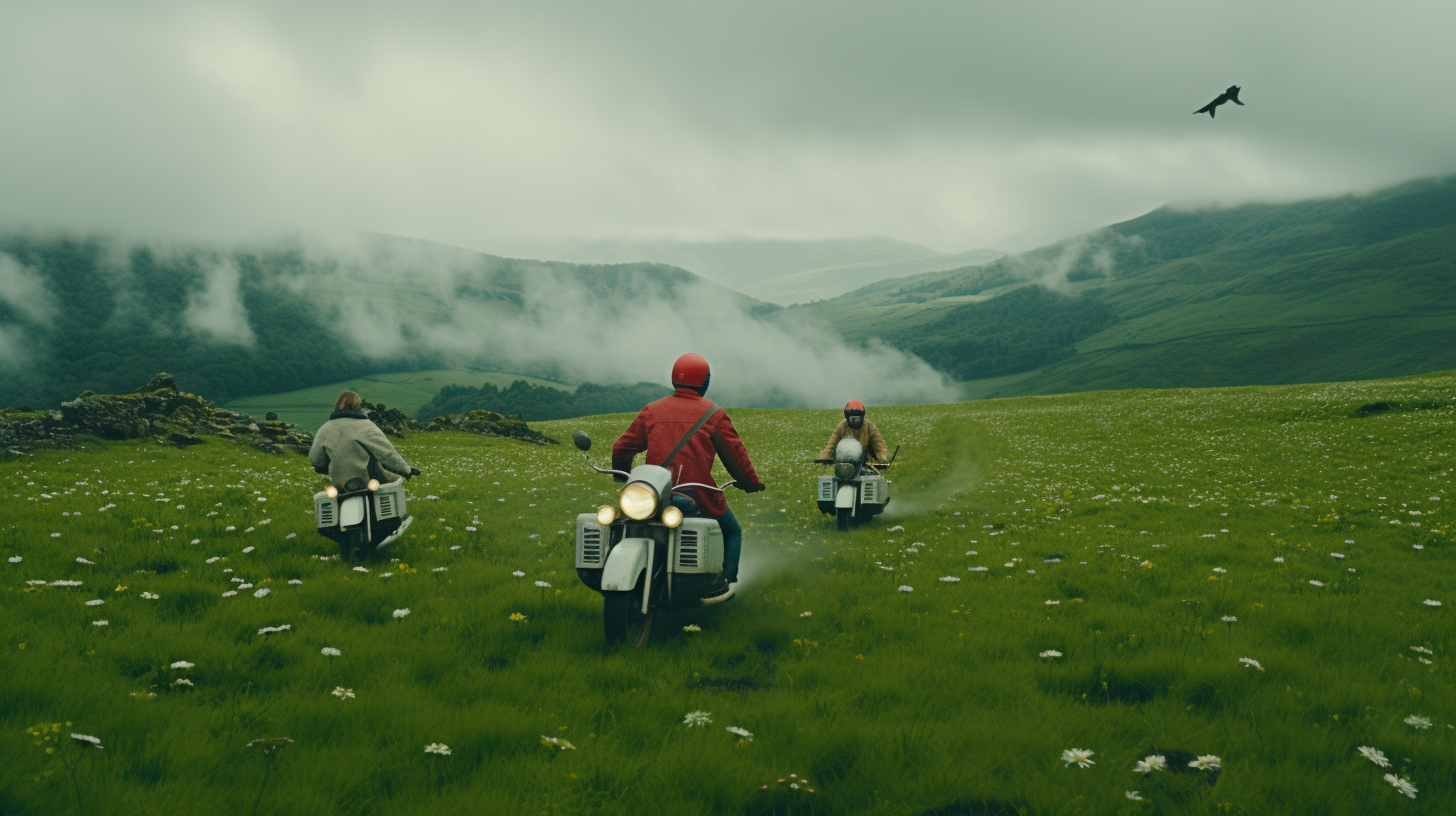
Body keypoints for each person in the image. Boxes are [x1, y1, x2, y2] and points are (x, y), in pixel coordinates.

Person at [612, 353, 763, 594]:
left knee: (622, 523)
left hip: (652, 493)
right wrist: (750, 482)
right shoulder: (713, 413)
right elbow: (735, 454)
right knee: (732, 531)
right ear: (705, 382)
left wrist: (622, 476)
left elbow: (622, 447)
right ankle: (725, 580)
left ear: (674, 380)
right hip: (698, 492)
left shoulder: (652, 410)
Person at [309, 390, 420, 487]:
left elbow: (316, 460)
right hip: (369, 481)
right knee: (395, 485)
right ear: (357, 405)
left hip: (340, 484)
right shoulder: (366, 425)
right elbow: (387, 453)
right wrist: (407, 470)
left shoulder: (325, 428)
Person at [817, 400, 890, 464]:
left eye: (857, 419)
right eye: (853, 419)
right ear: (847, 418)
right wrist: (824, 458)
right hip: (843, 461)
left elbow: (879, 444)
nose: (855, 422)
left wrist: (882, 459)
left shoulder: (869, 426)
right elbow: (831, 445)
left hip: (864, 461)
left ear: (862, 417)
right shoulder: (842, 426)